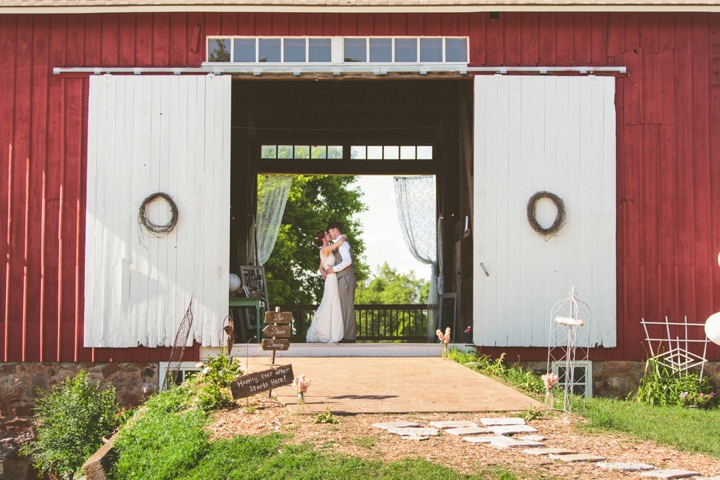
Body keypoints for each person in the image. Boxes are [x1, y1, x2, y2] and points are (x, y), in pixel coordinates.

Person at [306, 230, 346, 343]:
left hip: (330, 278)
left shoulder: (324, 250)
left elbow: (320, 267)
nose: (329, 235)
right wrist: (343, 236)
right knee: (330, 302)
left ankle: (330, 331)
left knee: (330, 302)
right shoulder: (325, 249)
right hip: (331, 278)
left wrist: (324, 273)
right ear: (323, 238)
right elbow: (338, 244)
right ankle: (324, 329)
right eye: (327, 234)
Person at [323, 222, 357, 343]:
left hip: (347, 277)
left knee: (347, 306)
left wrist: (333, 269)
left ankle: (349, 337)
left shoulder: (342, 245)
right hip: (344, 277)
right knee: (344, 306)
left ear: (335, 230)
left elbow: (347, 261)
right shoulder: (339, 243)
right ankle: (346, 335)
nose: (330, 234)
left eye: (330, 232)